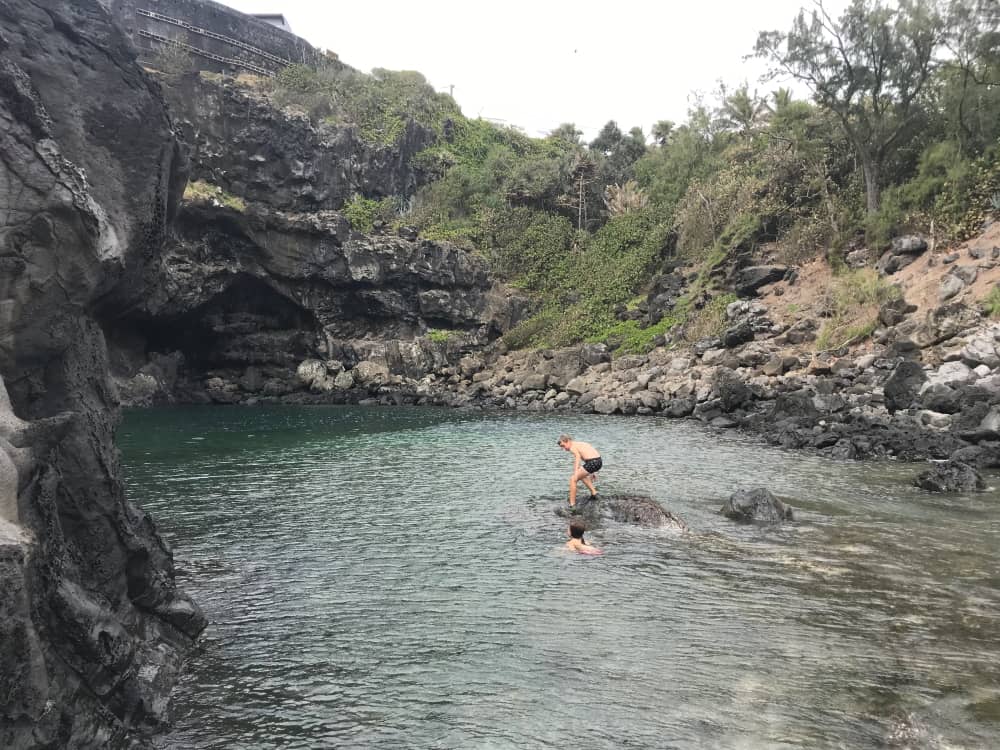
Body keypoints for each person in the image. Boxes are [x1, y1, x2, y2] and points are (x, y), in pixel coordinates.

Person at [556, 433, 602, 507]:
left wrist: (575, 473)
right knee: (582, 476)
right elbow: (588, 456)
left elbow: (578, 457)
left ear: (568, 441)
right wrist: (593, 472)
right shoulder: (580, 444)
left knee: (573, 479)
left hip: (592, 462)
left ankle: (572, 505)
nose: (564, 449)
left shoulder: (572, 447)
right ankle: (594, 493)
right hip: (598, 461)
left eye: (563, 446)